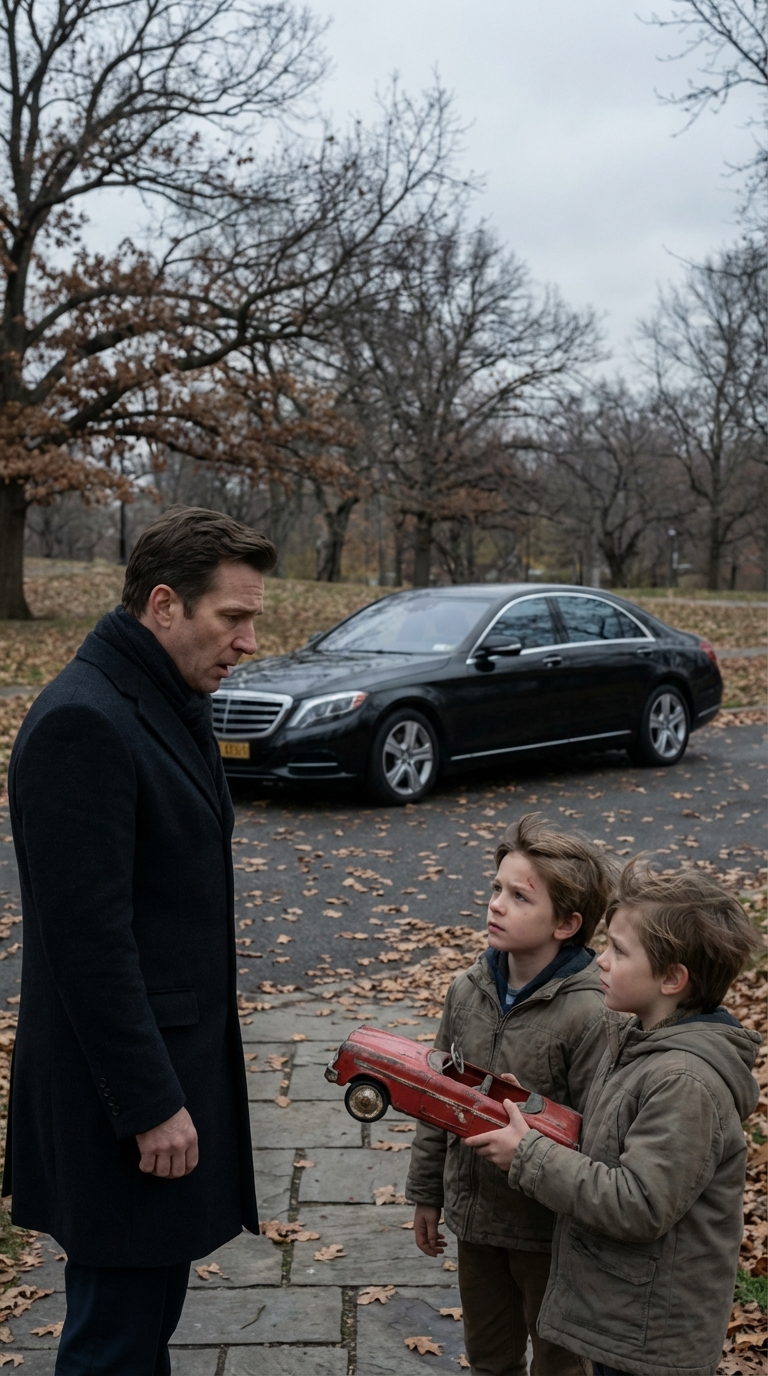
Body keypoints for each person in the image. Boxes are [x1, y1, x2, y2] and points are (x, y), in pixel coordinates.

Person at [4, 505, 277, 1375]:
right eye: (230, 618)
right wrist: (150, 1103)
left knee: (144, 1320)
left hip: (164, 1073)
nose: (245, 641)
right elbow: (88, 946)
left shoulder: (161, 696)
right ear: (164, 605)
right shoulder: (83, 723)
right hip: (122, 1099)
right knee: (113, 1340)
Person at [466, 861, 761, 1376]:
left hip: (653, 1336)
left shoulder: (684, 1082)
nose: (599, 961)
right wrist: (538, 1117)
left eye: (619, 951)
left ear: (672, 978)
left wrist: (529, 1156)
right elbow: (603, 1139)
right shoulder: (635, 1041)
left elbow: (639, 1204)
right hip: (623, 1316)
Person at [406, 814, 615, 1376]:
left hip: (549, 1233)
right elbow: (435, 1097)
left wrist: (534, 1121)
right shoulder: (466, 989)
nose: (497, 904)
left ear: (567, 923)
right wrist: (428, 1193)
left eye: (520, 897)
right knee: (489, 1358)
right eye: (496, 888)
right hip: (476, 1221)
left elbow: (598, 1132)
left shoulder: (592, 1011)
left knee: (559, 1363)